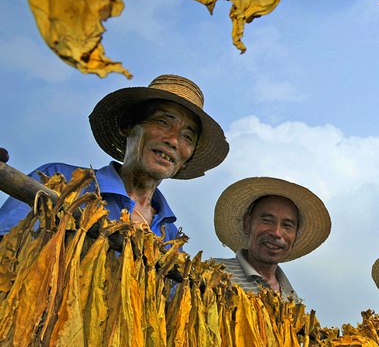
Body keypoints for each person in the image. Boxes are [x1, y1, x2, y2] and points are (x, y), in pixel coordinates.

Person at [0, 74, 229, 239]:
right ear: (128, 127)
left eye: (188, 137)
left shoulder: (167, 232)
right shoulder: (59, 180)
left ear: (187, 157)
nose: (173, 140)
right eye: (162, 122)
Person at [213, 176, 331, 299]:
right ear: (247, 224)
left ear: (295, 234)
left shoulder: (292, 298)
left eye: (287, 225)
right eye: (267, 220)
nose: (276, 233)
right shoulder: (214, 272)